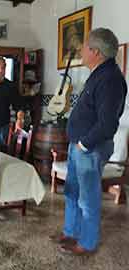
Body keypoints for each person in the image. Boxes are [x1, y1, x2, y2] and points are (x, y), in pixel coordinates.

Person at [51, 28, 127, 255]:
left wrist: (84, 144)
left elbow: (107, 124)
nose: (82, 51)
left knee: (87, 198)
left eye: (85, 47)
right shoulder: (99, 73)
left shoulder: (111, 79)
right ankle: (71, 231)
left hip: (89, 148)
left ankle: (87, 242)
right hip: (80, 147)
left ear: (96, 51)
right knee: (72, 192)